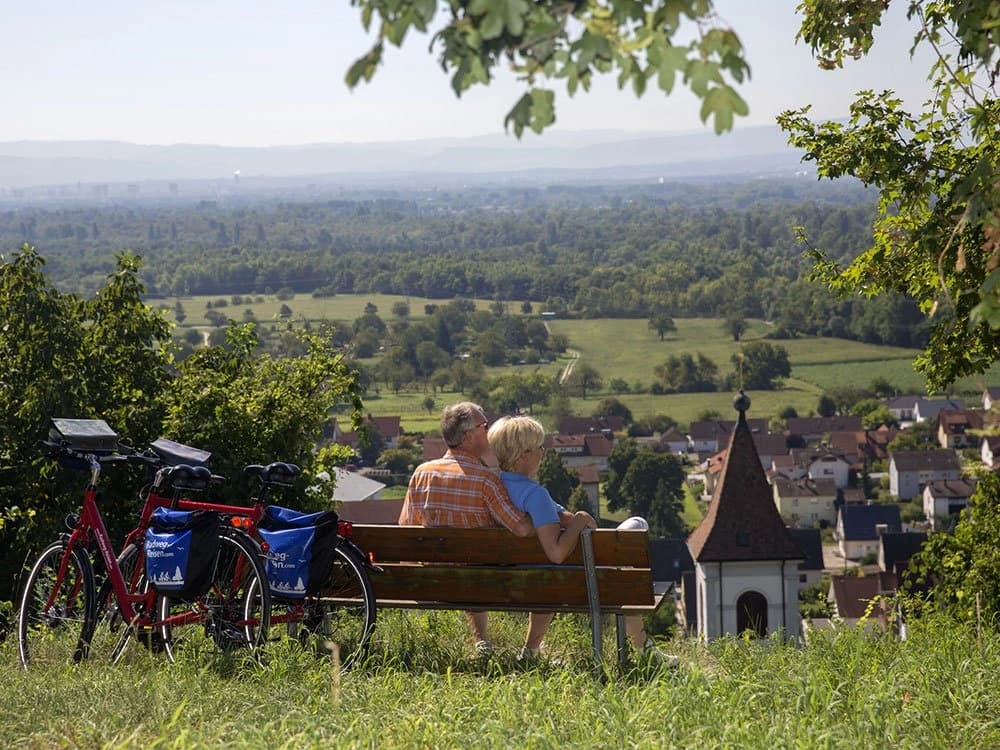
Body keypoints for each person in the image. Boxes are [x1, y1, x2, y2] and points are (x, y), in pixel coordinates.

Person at [488, 415, 677, 665]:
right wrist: (579, 519)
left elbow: (549, 521)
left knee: (551, 579)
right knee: (636, 529)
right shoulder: (535, 495)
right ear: (523, 455)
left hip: (517, 581)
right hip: (563, 582)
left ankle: (530, 652)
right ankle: (643, 649)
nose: (544, 453)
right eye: (539, 448)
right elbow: (556, 553)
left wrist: (567, 518)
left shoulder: (492, 488)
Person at [399, 401, 534, 655]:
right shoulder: (486, 480)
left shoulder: (421, 474)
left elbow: (405, 528)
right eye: (484, 425)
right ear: (469, 435)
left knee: (469, 564)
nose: (489, 430)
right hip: (481, 584)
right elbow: (522, 529)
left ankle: (482, 641)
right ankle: (529, 649)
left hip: (432, 583)